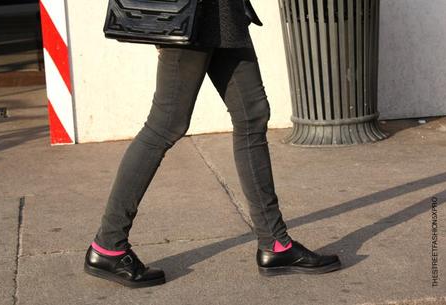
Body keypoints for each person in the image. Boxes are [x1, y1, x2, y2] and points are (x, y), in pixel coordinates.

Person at [84, 0, 342, 288]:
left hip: (222, 12)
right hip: (193, 13)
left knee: (251, 114)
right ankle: (108, 245)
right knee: (165, 123)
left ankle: (275, 243)